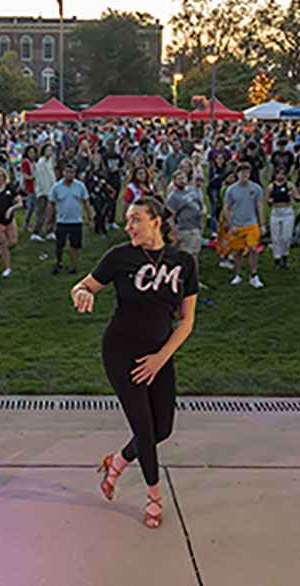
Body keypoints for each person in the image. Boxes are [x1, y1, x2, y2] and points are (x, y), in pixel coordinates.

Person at [71, 196, 198, 529]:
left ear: (156, 222)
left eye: (136, 219)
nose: (128, 227)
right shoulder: (119, 257)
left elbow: (186, 321)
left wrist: (160, 358)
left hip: (160, 353)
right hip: (121, 352)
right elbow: (84, 284)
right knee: (144, 429)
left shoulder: (183, 261)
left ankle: (118, 460)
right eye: (128, 220)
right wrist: (82, 292)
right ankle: (154, 497)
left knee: (163, 429)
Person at [223, 162, 265, 287]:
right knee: (237, 251)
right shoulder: (231, 190)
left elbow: (260, 206)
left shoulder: (256, 188)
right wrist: (231, 225)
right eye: (242, 173)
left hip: (251, 224)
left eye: (247, 173)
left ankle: (254, 275)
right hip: (237, 224)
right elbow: (226, 208)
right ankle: (238, 274)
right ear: (237, 174)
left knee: (253, 249)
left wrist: (262, 224)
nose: (244, 175)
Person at [49, 163, 91, 275]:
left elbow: (86, 202)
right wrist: (50, 220)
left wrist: (89, 217)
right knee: (59, 245)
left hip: (76, 220)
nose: (69, 174)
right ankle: (59, 262)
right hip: (61, 220)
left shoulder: (80, 186)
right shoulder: (57, 187)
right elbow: (52, 204)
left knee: (75, 245)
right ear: (63, 173)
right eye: (67, 172)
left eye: (72, 172)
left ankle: (72, 266)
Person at [166, 169, 205, 274]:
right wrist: (175, 234)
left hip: (196, 226)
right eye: (178, 179)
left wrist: (203, 210)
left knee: (195, 254)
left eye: (183, 178)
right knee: (186, 256)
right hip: (184, 228)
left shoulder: (191, 190)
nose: (181, 181)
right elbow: (169, 217)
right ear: (174, 181)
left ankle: (194, 279)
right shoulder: (173, 197)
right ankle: (184, 279)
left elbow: (201, 203)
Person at [266, 166, 300, 269]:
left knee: (286, 237)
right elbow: (268, 200)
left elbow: (298, 198)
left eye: (282, 174)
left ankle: (285, 256)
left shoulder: (289, 185)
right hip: (276, 212)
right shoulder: (271, 187)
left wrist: (293, 195)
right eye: (278, 174)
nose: (280, 176)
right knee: (275, 237)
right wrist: (270, 201)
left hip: (287, 211)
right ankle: (277, 259)